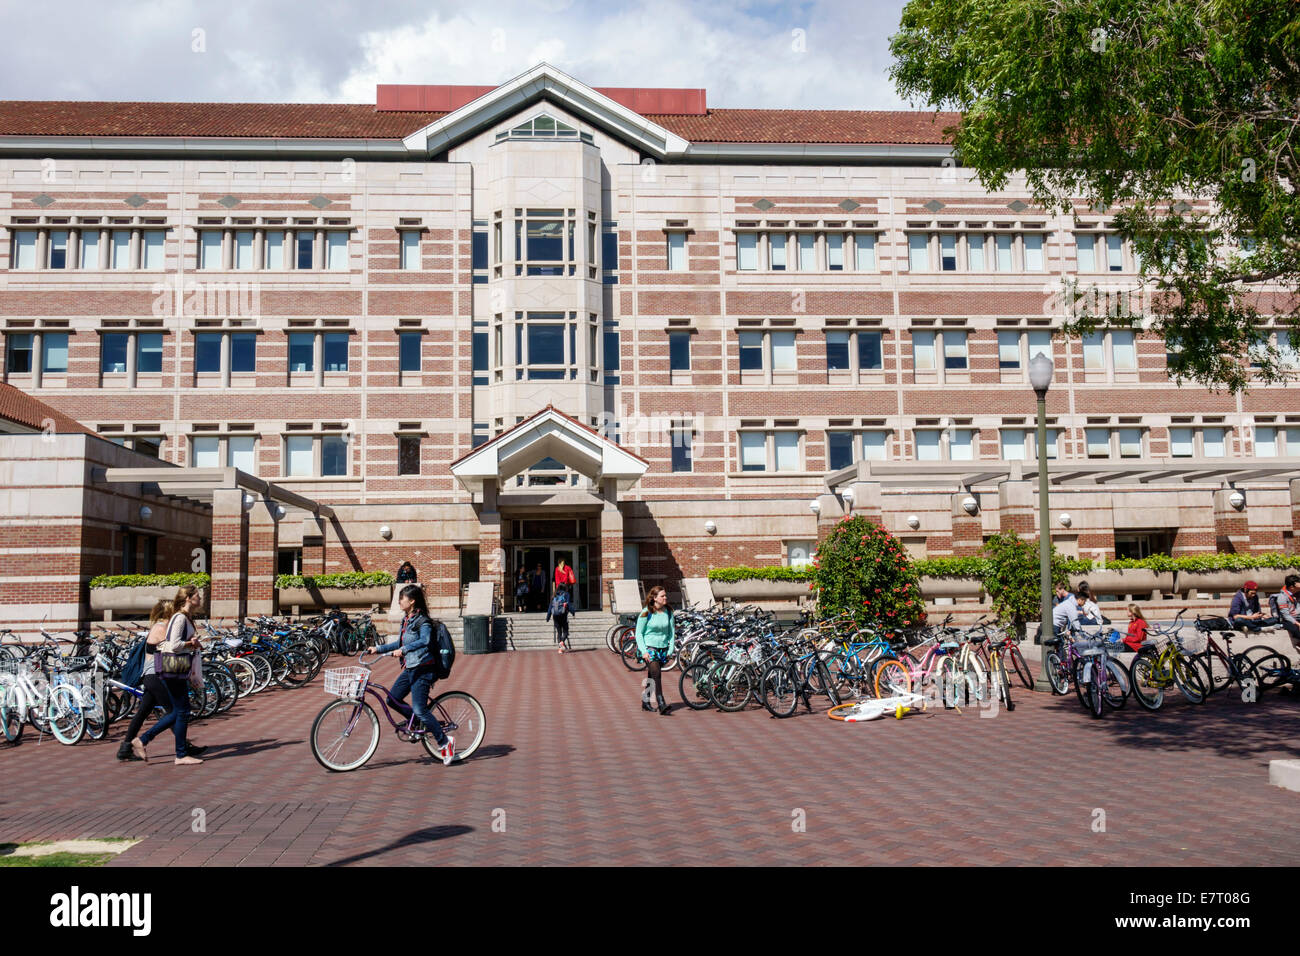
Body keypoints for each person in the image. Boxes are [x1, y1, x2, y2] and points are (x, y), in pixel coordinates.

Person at [369, 584, 455, 765]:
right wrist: (377, 649)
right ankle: (416, 722)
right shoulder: (406, 620)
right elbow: (398, 643)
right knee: (392, 699)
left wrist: (405, 649)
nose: (399, 601)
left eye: (402, 598)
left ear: (412, 601)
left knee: (420, 708)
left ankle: (445, 742)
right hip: (411, 668)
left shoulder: (422, 621)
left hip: (424, 669)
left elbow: (425, 641)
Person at [116, 598, 205, 762]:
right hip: (157, 676)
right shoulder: (162, 628)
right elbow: (173, 647)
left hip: (153, 677)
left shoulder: (163, 626)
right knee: (175, 712)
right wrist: (190, 642)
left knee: (143, 712)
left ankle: (125, 748)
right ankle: (180, 748)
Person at [635, 585, 676, 715]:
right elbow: (638, 633)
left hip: (663, 648)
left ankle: (645, 702)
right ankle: (661, 702)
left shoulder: (668, 612)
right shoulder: (646, 612)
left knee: (652, 675)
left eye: (665, 595)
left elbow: (672, 633)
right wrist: (643, 651)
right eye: (662, 596)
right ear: (654, 598)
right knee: (657, 673)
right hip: (649, 648)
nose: (665, 598)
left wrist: (670, 649)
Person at [1272, 575, 1300, 654]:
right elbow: (1286, 615)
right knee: (1295, 628)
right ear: (1292, 587)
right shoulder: (1282, 597)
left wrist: (1297, 611)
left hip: (1296, 616)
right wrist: (1298, 623)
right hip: (1287, 620)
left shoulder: (1297, 593)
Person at [547, 583, 573, 654]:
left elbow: (550, 607)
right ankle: (562, 642)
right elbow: (568, 605)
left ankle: (560, 649)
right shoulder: (566, 594)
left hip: (555, 616)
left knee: (559, 632)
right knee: (566, 631)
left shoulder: (554, 595)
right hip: (563, 615)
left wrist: (548, 617)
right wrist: (573, 612)